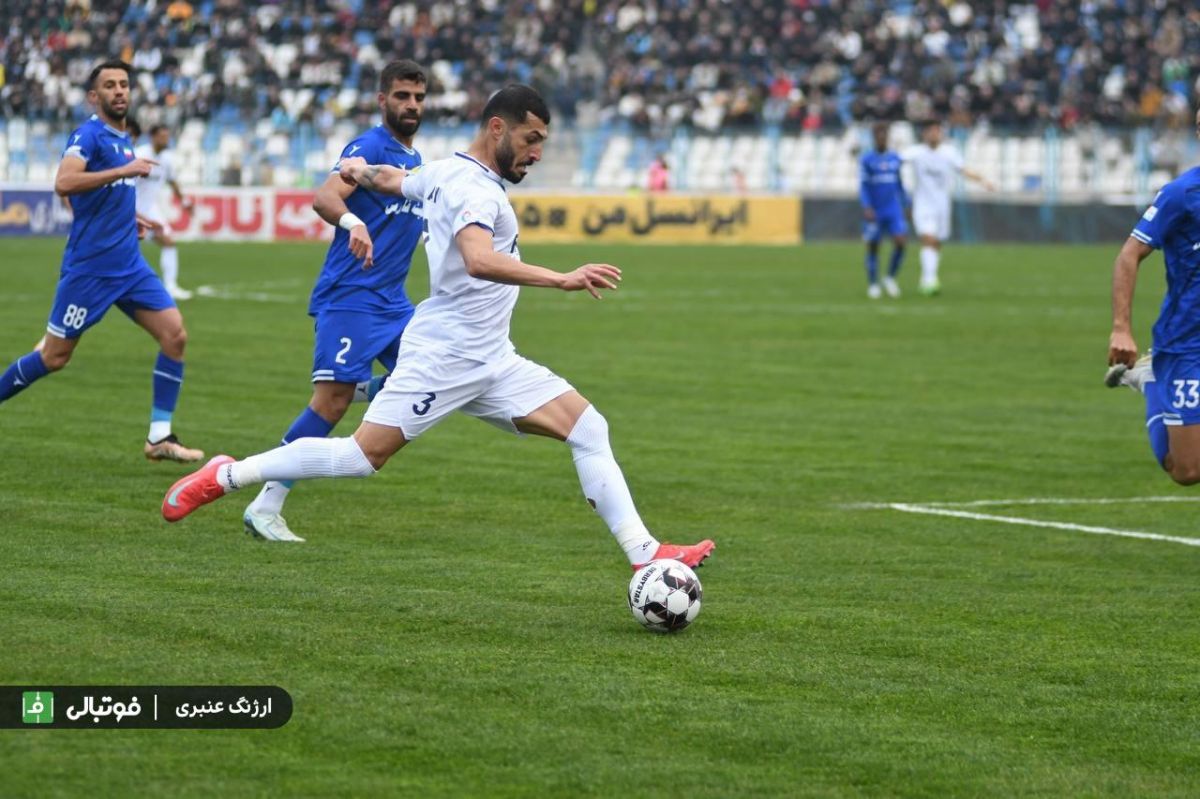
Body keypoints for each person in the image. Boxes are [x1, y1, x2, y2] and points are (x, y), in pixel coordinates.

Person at [163, 84, 715, 572]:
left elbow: (396, 179)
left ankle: (645, 552)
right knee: (360, 458)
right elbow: (478, 259)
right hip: (445, 357)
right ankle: (228, 474)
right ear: (497, 128)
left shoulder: (448, 170)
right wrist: (561, 278)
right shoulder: (476, 191)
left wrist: (361, 172)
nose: (537, 153)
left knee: (589, 429)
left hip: (493, 359)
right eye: (531, 139)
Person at [242, 59, 428, 542]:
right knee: (330, 404)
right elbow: (326, 198)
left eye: (418, 97)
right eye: (402, 96)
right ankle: (265, 505)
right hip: (351, 297)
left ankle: (360, 385)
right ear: (382, 100)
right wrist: (354, 222)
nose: (411, 105)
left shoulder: (416, 162)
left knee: (431, 373)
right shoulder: (369, 147)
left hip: (393, 303)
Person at [0, 59, 203, 463]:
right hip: (91, 270)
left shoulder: (123, 140)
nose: (119, 90)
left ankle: (159, 437)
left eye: (124, 84)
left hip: (129, 266)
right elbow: (64, 182)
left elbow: (107, 194)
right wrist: (123, 170)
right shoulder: (88, 136)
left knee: (175, 336)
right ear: (94, 97)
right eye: (109, 85)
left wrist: (130, 217)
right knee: (54, 357)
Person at [1105, 107, 1200, 486]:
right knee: (1187, 470)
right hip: (1187, 343)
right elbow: (1129, 255)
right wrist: (1121, 328)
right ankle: (1150, 381)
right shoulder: (1181, 194)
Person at [904, 121, 994, 295]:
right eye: (930, 131)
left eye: (937, 131)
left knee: (937, 242)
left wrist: (983, 181)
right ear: (924, 134)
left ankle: (928, 277)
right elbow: (895, 160)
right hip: (922, 205)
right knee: (928, 238)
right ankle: (929, 280)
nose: (934, 134)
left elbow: (964, 170)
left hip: (942, 206)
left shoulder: (949, 152)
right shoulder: (916, 152)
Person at [133, 121, 195, 300]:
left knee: (168, 242)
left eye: (167, 136)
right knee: (123, 248)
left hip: (151, 210)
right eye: (162, 136)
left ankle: (170, 286)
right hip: (131, 209)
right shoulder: (140, 155)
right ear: (152, 137)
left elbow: (172, 181)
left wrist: (185, 202)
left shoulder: (167, 159)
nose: (166, 139)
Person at [859, 121, 908, 299]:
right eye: (878, 135)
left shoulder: (895, 158)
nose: (881, 138)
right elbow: (864, 186)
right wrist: (867, 206)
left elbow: (899, 183)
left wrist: (906, 203)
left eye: (884, 135)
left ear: (887, 137)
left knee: (901, 241)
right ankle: (873, 284)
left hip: (893, 209)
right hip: (875, 209)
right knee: (873, 246)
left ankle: (890, 278)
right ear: (874, 138)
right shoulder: (867, 160)